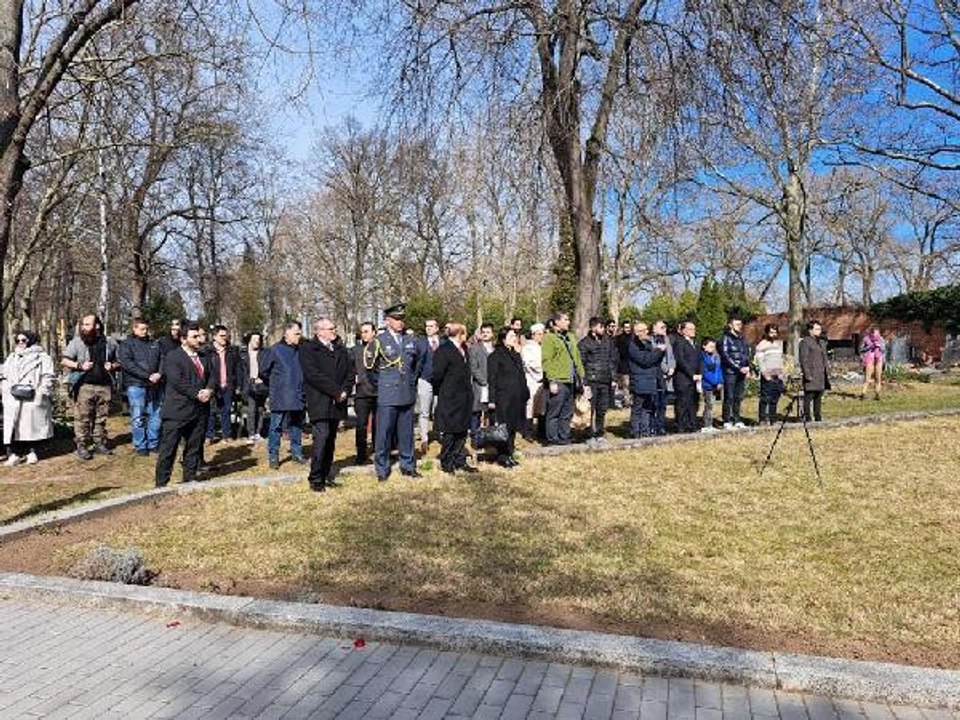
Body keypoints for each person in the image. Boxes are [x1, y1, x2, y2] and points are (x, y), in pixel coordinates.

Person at [364, 303, 423, 481]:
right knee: (384, 433)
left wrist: (411, 382)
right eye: (396, 319)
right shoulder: (379, 341)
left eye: (402, 319)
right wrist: (382, 385)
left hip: (406, 393)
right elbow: (370, 369)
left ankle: (408, 465)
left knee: (407, 433)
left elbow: (417, 363)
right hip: (387, 395)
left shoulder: (411, 340)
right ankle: (382, 468)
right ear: (388, 320)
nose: (400, 322)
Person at [154, 322, 215, 487]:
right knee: (168, 450)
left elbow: (212, 377)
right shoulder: (173, 357)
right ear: (183, 339)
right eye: (194, 337)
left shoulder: (204, 356)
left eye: (199, 336)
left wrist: (209, 390)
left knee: (194, 448)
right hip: (177, 412)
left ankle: (189, 479)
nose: (199, 340)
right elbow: (177, 381)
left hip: (198, 411)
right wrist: (197, 394)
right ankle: (161, 485)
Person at [300, 318, 352, 492]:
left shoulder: (339, 348)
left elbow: (350, 372)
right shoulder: (308, 349)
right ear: (319, 331)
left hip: (338, 402)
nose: (334, 331)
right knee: (321, 438)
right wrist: (336, 391)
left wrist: (345, 390)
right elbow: (313, 375)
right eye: (330, 328)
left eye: (334, 328)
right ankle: (316, 478)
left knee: (331, 440)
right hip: (320, 401)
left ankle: (327, 474)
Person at [61, 314, 119, 460]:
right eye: (82, 325)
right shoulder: (77, 342)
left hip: (105, 385)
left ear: (97, 326)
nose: (83, 327)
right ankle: (82, 445)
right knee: (83, 418)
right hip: (84, 385)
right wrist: (80, 365)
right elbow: (64, 360)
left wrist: (112, 365)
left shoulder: (110, 343)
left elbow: (120, 362)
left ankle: (99, 443)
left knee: (101, 418)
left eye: (87, 324)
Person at [1, 332, 55, 466]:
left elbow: (48, 376)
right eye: (17, 340)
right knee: (14, 427)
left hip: (32, 396)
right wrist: (5, 390)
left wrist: (41, 393)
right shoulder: (12, 357)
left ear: (31, 340)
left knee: (31, 427)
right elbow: (4, 374)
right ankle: (14, 454)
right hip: (13, 396)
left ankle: (32, 452)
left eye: (23, 339)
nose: (20, 342)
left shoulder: (42, 357)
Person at [259, 321, 307, 469]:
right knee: (276, 426)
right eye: (296, 333)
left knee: (297, 425)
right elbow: (263, 371)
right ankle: (273, 456)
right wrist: (276, 383)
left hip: (298, 393)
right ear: (286, 333)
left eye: (300, 333)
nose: (299, 336)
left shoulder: (301, 350)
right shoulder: (274, 350)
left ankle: (297, 453)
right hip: (280, 394)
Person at [431, 323, 476, 475]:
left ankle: (459, 460)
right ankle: (447, 461)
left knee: (462, 431)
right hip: (450, 396)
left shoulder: (464, 349)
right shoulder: (444, 350)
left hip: (464, 397)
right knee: (450, 431)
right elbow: (437, 375)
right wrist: (444, 390)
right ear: (460, 334)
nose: (467, 336)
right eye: (465, 333)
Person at [118, 318, 163, 456]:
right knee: (138, 417)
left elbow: (162, 359)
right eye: (142, 329)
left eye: (146, 329)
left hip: (154, 384)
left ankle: (153, 443)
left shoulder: (154, 344)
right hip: (136, 385)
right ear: (134, 329)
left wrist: (160, 373)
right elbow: (127, 364)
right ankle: (141, 445)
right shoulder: (127, 344)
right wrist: (146, 375)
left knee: (155, 415)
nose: (145, 331)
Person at [487, 327, 530, 467]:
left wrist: (525, 393)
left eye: (515, 336)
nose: (514, 338)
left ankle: (510, 453)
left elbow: (521, 375)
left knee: (512, 427)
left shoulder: (516, 355)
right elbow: (491, 379)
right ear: (503, 338)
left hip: (516, 398)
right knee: (503, 428)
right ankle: (502, 456)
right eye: (511, 336)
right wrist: (492, 400)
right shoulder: (495, 356)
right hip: (503, 398)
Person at [540, 312, 585, 445]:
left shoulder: (570, 337)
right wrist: (552, 380)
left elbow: (577, 358)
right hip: (558, 380)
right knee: (555, 411)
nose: (568, 322)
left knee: (567, 411)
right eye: (565, 320)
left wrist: (582, 377)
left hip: (570, 380)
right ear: (557, 322)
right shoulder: (549, 338)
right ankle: (553, 439)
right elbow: (546, 361)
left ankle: (564, 436)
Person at [577, 316, 617, 442]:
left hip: (605, 380)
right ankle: (588, 433)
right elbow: (581, 364)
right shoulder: (584, 343)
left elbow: (612, 360)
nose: (604, 329)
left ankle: (599, 433)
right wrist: (584, 382)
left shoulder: (608, 341)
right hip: (591, 381)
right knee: (590, 409)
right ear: (593, 327)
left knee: (602, 408)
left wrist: (613, 378)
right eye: (601, 327)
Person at [627, 321, 665, 438]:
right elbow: (645, 360)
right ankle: (635, 432)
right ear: (637, 332)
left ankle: (645, 431)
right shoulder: (633, 346)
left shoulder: (648, 344)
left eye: (646, 329)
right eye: (643, 330)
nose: (646, 332)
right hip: (639, 380)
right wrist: (659, 351)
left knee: (647, 408)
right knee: (638, 408)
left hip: (649, 379)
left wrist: (659, 352)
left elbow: (654, 360)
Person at [206, 325, 239, 442]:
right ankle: (209, 436)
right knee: (211, 412)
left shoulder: (232, 351)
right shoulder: (207, 351)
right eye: (221, 335)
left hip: (228, 385)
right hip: (212, 386)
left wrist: (236, 384)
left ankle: (227, 435)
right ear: (214, 337)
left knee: (226, 410)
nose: (225, 338)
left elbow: (237, 368)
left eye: (226, 335)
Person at [352, 322, 378, 464]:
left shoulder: (379, 348)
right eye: (362, 332)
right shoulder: (355, 350)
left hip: (379, 392)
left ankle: (379, 451)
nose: (364, 334)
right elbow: (349, 368)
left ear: (374, 332)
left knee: (379, 424)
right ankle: (361, 455)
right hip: (362, 393)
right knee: (361, 425)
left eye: (367, 331)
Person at [718, 316, 751, 429]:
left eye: (740, 324)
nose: (739, 326)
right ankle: (727, 420)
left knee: (738, 396)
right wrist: (738, 367)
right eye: (737, 324)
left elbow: (746, 354)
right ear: (730, 325)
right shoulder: (725, 338)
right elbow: (725, 355)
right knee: (729, 396)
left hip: (741, 372)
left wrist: (747, 367)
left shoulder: (742, 338)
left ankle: (737, 419)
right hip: (730, 372)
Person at [416, 318, 442, 455]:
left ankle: (440, 434)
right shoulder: (420, 343)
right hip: (425, 379)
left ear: (437, 328)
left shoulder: (443, 343)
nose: (428, 329)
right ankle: (424, 439)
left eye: (431, 326)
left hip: (440, 381)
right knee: (424, 411)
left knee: (439, 410)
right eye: (426, 326)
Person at [238, 331, 268, 443]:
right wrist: (240, 386)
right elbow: (240, 371)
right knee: (251, 409)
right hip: (248, 385)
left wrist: (263, 378)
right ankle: (251, 433)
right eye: (255, 339)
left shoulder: (263, 353)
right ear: (249, 341)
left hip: (261, 385)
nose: (257, 341)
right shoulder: (243, 354)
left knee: (260, 409)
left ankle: (258, 433)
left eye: (259, 339)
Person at [672, 320, 701, 434]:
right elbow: (681, 361)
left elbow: (699, 360)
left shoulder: (695, 344)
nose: (693, 331)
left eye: (694, 329)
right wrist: (692, 374)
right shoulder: (679, 343)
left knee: (693, 402)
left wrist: (699, 373)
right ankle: (680, 425)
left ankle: (692, 424)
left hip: (695, 378)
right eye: (690, 329)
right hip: (683, 378)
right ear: (684, 331)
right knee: (682, 403)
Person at [468, 323, 495, 448]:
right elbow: (473, 368)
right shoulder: (474, 348)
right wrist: (484, 382)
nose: (485, 334)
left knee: (491, 413)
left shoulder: (496, 349)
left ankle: (491, 439)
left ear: (492, 334)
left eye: (488, 332)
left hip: (494, 386)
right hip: (480, 386)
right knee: (476, 413)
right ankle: (476, 439)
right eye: (483, 332)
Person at [799, 320, 830, 422]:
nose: (819, 331)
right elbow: (804, 359)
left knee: (818, 396)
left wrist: (827, 371)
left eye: (820, 329)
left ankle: (818, 416)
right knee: (809, 396)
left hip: (821, 374)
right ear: (810, 330)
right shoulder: (805, 342)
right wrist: (807, 374)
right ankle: (807, 417)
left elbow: (824, 357)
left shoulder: (821, 342)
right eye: (816, 329)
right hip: (811, 374)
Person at [754, 324, 785, 425]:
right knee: (765, 398)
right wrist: (765, 374)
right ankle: (762, 419)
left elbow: (780, 360)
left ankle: (773, 418)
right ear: (767, 333)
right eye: (771, 332)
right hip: (767, 375)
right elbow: (759, 360)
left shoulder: (777, 345)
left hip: (777, 375)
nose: (773, 334)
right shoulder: (762, 345)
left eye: (775, 332)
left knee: (774, 398)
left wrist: (781, 373)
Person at [521, 322, 545, 441]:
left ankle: (541, 431)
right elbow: (529, 363)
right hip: (531, 380)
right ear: (533, 335)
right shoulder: (527, 347)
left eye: (542, 334)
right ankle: (528, 431)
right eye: (539, 334)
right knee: (530, 406)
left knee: (541, 406)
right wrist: (541, 372)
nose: (541, 336)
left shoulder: (542, 347)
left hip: (542, 382)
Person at [650, 320, 675, 436]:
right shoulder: (651, 341)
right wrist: (665, 369)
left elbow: (671, 356)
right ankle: (653, 427)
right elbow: (656, 358)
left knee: (663, 404)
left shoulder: (667, 340)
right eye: (661, 327)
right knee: (654, 404)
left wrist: (672, 368)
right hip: (656, 375)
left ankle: (661, 426)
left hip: (667, 376)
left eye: (665, 327)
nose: (664, 329)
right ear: (654, 328)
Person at [699, 338, 723, 432]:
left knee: (712, 405)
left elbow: (719, 370)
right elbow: (705, 373)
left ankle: (710, 423)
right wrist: (715, 382)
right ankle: (706, 425)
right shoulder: (703, 357)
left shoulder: (716, 357)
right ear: (704, 346)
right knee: (708, 404)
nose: (712, 348)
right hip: (707, 385)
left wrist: (720, 381)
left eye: (714, 347)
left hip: (716, 384)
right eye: (710, 346)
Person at [860, 328, 886, 401]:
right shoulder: (866, 339)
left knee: (878, 378)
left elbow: (884, 350)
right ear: (871, 333)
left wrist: (879, 346)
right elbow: (861, 349)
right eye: (874, 334)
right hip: (869, 359)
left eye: (877, 334)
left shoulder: (881, 339)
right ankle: (863, 394)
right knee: (867, 378)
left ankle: (877, 394)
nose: (875, 336)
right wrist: (870, 346)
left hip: (879, 359)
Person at [614, 319, 633, 409]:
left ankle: (630, 401)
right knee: (626, 385)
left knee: (632, 385)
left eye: (629, 327)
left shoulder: (634, 337)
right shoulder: (618, 338)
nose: (627, 329)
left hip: (633, 364)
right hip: (624, 365)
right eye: (626, 327)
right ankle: (626, 402)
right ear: (623, 328)